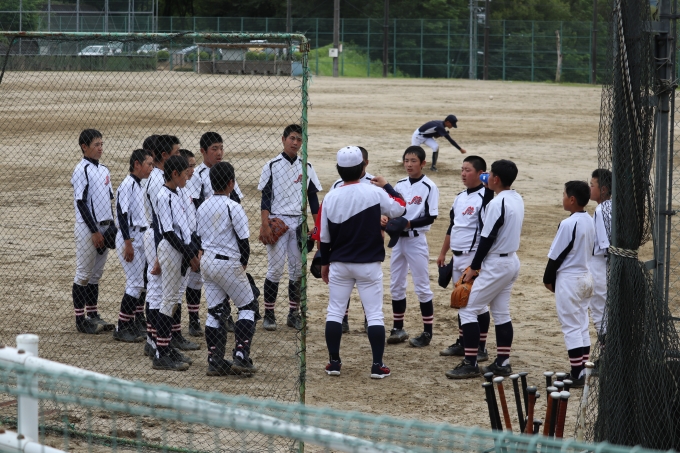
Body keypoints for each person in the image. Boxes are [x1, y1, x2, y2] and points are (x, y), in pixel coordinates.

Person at [320, 146, 407, 379]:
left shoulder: (331, 196)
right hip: (369, 264)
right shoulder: (374, 192)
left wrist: (325, 263)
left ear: (339, 169)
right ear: (362, 168)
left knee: (335, 312)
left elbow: (324, 237)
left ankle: (334, 363)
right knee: (374, 314)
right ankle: (377, 365)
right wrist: (387, 186)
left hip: (339, 263)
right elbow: (400, 207)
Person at [445, 159, 524, 379]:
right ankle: (502, 362)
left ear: (495, 179)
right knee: (501, 312)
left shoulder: (496, 204)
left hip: (496, 264)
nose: (486, 177)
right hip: (511, 261)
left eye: (489, 175)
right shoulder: (515, 198)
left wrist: (474, 267)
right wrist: (489, 188)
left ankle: (470, 363)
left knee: (468, 309)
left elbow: (486, 238)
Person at [258, 124, 322, 331]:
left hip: (299, 222)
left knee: (297, 270)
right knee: (275, 269)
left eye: (299, 139)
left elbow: (313, 199)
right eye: (292, 138)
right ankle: (269, 314)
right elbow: (265, 198)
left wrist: (318, 228)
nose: (295, 143)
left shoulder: (307, 166)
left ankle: (293, 314)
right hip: (277, 220)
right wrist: (264, 225)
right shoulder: (271, 165)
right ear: (283, 139)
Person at [198, 162, 258, 376]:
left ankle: (214, 360)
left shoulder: (203, 206)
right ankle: (241, 355)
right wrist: (243, 264)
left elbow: (198, 237)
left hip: (207, 262)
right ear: (231, 183)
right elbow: (244, 242)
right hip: (228, 263)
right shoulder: (233, 206)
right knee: (248, 306)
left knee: (215, 311)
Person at [186, 132, 246, 334]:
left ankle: (224, 315)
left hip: (226, 231)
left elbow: (236, 199)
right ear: (203, 151)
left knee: (226, 275)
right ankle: (194, 319)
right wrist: (196, 244)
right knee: (195, 278)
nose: (219, 152)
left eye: (221, 148)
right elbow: (194, 207)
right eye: (214, 149)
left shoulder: (226, 170)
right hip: (204, 232)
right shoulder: (197, 175)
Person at [437, 156, 493, 362]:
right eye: (462, 169)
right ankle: (463, 343)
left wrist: (477, 263)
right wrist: (443, 252)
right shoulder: (460, 197)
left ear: (481, 173)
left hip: (473, 257)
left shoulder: (486, 197)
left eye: (468, 170)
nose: (463, 174)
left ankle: (481, 347)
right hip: (457, 256)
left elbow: (487, 231)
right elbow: (453, 226)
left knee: (476, 304)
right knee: (461, 300)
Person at [543, 181, 595, 388]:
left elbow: (556, 256)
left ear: (572, 199)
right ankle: (581, 370)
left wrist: (547, 279)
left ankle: (576, 374)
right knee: (581, 324)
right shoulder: (589, 219)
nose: (562, 198)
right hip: (586, 276)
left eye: (564, 194)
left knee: (571, 327)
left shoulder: (568, 224)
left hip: (570, 279)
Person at [386, 146, 439, 348]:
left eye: (413, 161)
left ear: (423, 163)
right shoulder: (400, 184)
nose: (409, 164)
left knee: (422, 286)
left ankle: (427, 332)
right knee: (396, 284)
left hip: (416, 240)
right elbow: (393, 209)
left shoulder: (429, 186)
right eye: (406, 160)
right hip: (398, 240)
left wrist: (408, 223)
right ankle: (398, 328)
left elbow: (431, 216)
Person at [151, 155, 200, 371]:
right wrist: (189, 255)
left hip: (181, 250)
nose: (187, 178)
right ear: (174, 174)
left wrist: (191, 251)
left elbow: (186, 228)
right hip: (172, 250)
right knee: (169, 300)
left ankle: (167, 346)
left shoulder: (178, 192)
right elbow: (169, 233)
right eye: (184, 174)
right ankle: (160, 353)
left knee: (175, 299)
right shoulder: (163, 196)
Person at [70, 129, 115, 334]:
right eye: (96, 144)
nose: (100, 148)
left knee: (96, 275)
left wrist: (111, 225)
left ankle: (93, 314)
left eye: (101, 144)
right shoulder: (82, 170)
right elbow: (81, 203)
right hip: (88, 228)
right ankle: (80, 320)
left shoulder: (104, 170)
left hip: (104, 226)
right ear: (84, 147)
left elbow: (109, 200)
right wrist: (94, 231)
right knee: (83, 274)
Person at [328, 146, 373, 333]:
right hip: (343, 240)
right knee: (344, 286)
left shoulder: (373, 182)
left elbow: (388, 212)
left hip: (366, 241)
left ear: (365, 163)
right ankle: (343, 319)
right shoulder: (337, 184)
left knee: (366, 287)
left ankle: (369, 319)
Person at [113, 149, 153, 342]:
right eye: (149, 164)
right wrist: (127, 242)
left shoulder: (138, 184)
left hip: (139, 236)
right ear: (137, 164)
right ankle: (121, 327)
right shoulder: (127, 185)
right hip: (130, 237)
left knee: (139, 283)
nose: (151, 168)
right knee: (135, 283)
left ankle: (130, 324)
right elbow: (122, 214)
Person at [179, 148, 204, 337]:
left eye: (194, 166)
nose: (193, 170)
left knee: (194, 280)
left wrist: (198, 246)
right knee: (173, 290)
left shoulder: (190, 184)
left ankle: (193, 321)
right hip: (178, 243)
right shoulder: (170, 190)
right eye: (189, 166)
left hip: (193, 239)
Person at [587, 169, 611, 353]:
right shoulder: (614, 205)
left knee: (599, 311)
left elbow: (605, 246)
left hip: (600, 265)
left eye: (592, 185)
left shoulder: (601, 209)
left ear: (603, 189)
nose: (589, 188)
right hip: (610, 265)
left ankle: (607, 354)